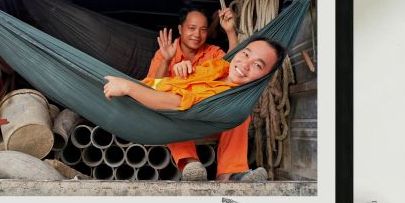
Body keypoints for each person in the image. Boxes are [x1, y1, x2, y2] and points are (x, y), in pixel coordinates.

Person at [103, 40, 282, 165]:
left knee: (240, 116)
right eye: (245, 54)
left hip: (152, 107)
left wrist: (128, 88)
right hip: (145, 91)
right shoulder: (218, 66)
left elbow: (175, 103)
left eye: (258, 65)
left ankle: (203, 165)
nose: (245, 64)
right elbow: (179, 83)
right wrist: (182, 70)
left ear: (264, 78)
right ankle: (215, 168)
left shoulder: (224, 99)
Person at [143, 7, 263, 181]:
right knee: (166, 112)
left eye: (203, 30)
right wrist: (167, 60)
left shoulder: (212, 52)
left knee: (240, 113)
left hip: (209, 117)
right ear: (180, 29)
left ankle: (229, 174)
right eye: (191, 28)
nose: (197, 34)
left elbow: (233, 66)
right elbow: (150, 90)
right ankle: (191, 165)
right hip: (179, 119)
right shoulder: (165, 52)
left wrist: (230, 31)